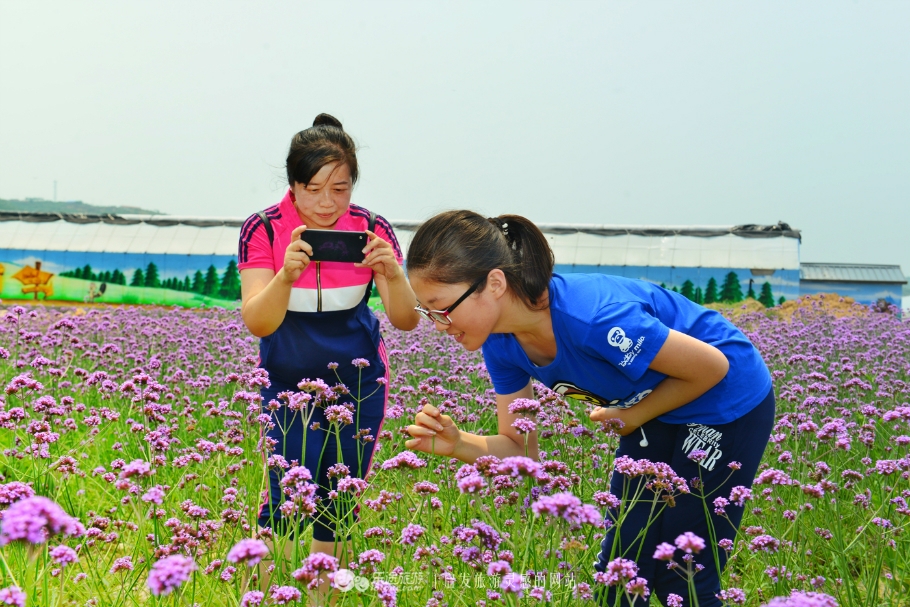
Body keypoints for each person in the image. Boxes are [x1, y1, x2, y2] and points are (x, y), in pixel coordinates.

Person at [403, 210, 775, 606]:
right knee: (620, 564)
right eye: (426, 311)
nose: (438, 324)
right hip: (653, 405)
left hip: (725, 399)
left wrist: (632, 416)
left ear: (494, 283)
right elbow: (520, 448)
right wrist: (459, 443)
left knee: (685, 568)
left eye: (441, 307)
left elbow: (712, 367)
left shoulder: (592, 319)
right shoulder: (501, 343)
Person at [238, 114, 419, 580]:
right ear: (293, 185)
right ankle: (264, 592)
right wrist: (287, 274)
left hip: (359, 383)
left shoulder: (373, 227)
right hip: (286, 377)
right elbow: (258, 321)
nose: (326, 202)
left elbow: (406, 319)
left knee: (339, 499)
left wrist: (393, 274)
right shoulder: (262, 228)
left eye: (340, 188)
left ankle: (322, 595)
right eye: (313, 188)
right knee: (284, 495)